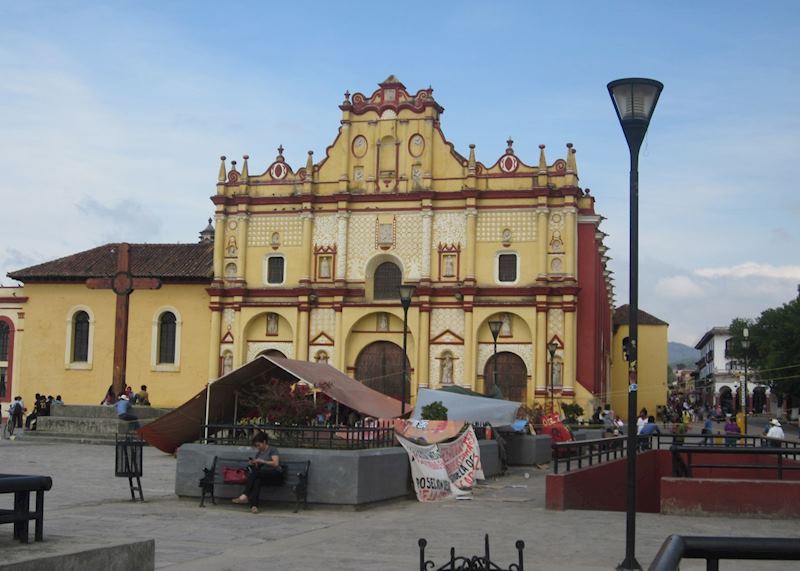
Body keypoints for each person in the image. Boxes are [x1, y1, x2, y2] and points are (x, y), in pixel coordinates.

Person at [232, 432, 281, 514]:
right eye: (256, 446)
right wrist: (254, 463)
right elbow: (258, 466)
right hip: (262, 474)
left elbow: (276, 463)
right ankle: (254, 506)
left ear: (264, 442)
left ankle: (245, 495)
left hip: (274, 474)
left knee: (255, 474)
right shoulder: (259, 453)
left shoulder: (272, 450)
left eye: (259, 445)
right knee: (257, 481)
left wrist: (263, 461)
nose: (258, 447)